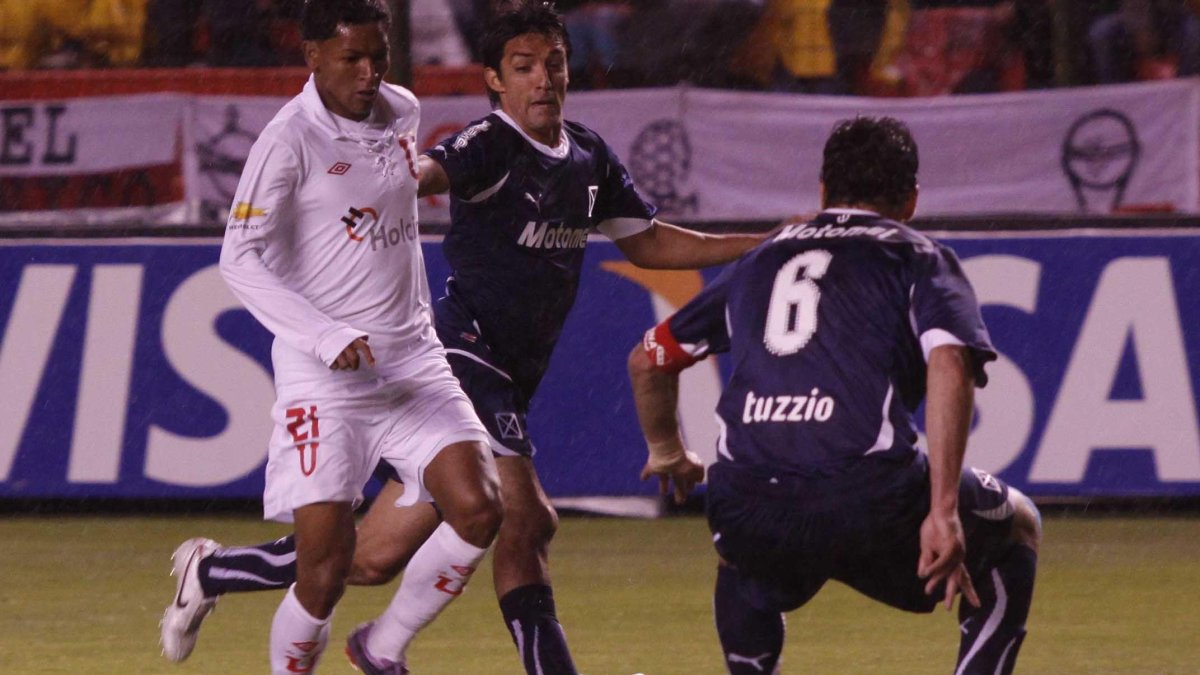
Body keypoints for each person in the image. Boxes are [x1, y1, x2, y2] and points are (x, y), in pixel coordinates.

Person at [161, 3, 763, 674]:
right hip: (447, 354)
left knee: (367, 556)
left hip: (424, 363)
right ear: (494, 81)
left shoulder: (562, 150)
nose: (543, 80)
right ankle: (383, 645)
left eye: (554, 65)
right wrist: (387, 207)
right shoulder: (479, 144)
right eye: (523, 68)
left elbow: (647, 240)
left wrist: (764, 247)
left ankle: (221, 574)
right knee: (515, 523)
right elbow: (421, 174)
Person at [627, 116, 1042, 674]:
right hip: (866, 500)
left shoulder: (760, 260)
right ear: (911, 199)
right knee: (1018, 522)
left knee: (742, 557)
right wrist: (942, 511)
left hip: (748, 505)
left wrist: (667, 450)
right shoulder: (916, 255)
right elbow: (950, 360)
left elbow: (650, 357)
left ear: (823, 192)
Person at [160, 1, 505, 672]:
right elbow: (239, 257)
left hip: (413, 363)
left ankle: (382, 645)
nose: (370, 71)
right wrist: (322, 333)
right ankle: (210, 574)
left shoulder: (401, 110)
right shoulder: (288, 140)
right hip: (326, 381)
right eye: (352, 57)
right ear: (312, 56)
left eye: (378, 54)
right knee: (323, 573)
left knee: (480, 506)